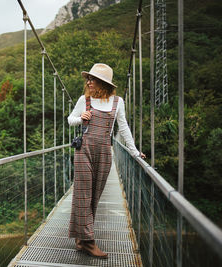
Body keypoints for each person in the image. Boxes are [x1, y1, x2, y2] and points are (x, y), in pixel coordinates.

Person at [67, 63, 145, 258]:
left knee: (94, 196)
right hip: (84, 150)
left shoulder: (118, 102)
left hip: (104, 151)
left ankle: (81, 235)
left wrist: (134, 152)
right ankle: (89, 242)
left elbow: (123, 127)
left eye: (92, 79)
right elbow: (70, 119)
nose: (88, 82)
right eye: (88, 79)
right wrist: (80, 118)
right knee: (83, 194)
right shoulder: (84, 100)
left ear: (103, 83)